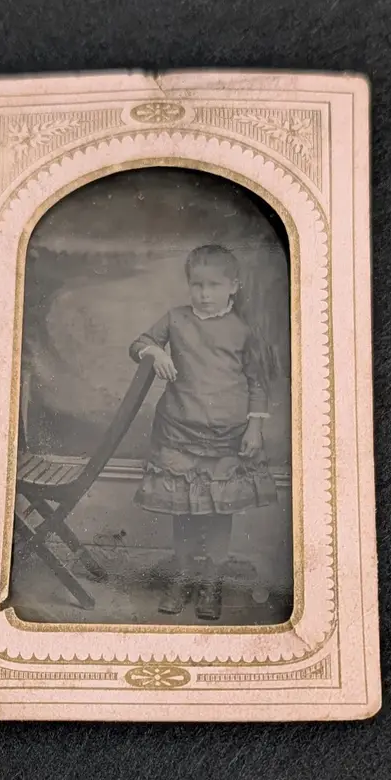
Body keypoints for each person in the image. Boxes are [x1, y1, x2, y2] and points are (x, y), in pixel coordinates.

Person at [129, 244, 278, 620]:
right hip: (178, 433)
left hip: (228, 438)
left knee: (216, 511)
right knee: (183, 509)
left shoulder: (243, 329)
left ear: (233, 286)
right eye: (197, 285)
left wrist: (255, 428)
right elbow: (138, 344)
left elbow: (258, 383)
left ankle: (211, 580)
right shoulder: (176, 319)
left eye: (214, 285)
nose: (204, 294)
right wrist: (156, 353)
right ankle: (182, 575)